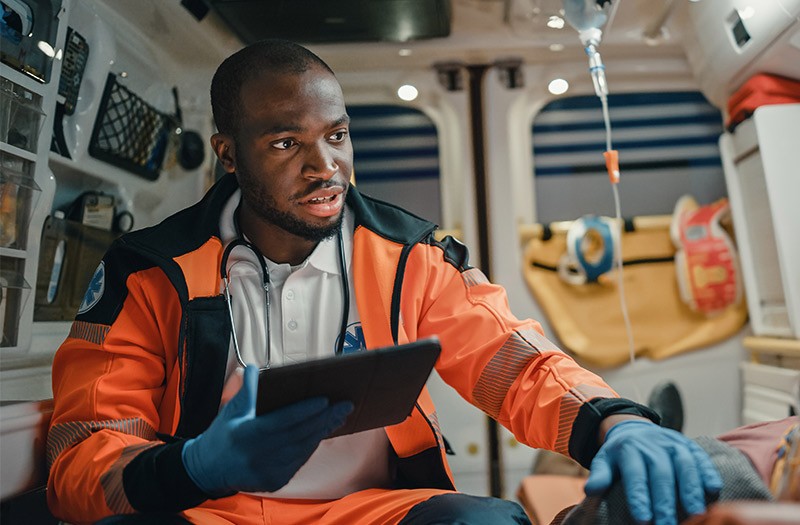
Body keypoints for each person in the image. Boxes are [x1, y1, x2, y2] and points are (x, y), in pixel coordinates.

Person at [46, 39, 722, 525]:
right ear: (228, 152)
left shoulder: (413, 254)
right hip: (205, 509)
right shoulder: (146, 270)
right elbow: (83, 454)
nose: (325, 166)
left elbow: (516, 364)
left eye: (337, 135)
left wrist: (615, 423)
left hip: (368, 510)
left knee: (490, 522)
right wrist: (193, 467)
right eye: (286, 143)